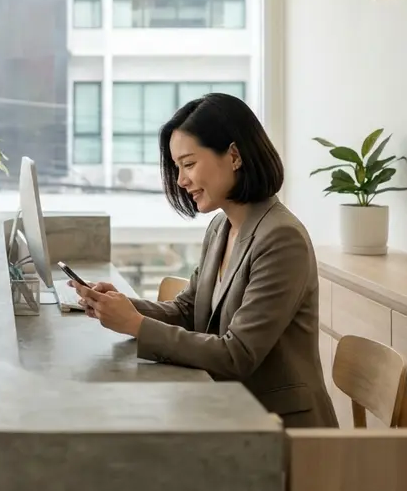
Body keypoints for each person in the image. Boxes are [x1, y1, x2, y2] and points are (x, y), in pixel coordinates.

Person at [74, 93, 338, 429]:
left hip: (280, 430)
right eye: (177, 168)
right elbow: (189, 310)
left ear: (234, 155)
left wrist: (135, 325)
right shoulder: (221, 226)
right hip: (231, 411)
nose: (181, 180)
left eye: (188, 164)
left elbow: (236, 355)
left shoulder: (281, 239)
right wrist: (122, 306)